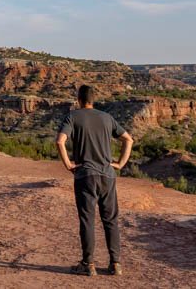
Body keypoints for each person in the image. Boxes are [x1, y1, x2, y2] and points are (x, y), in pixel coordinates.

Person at [56, 84, 133, 277]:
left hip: (85, 175)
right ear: (93, 100)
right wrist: (120, 164)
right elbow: (128, 139)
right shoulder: (107, 117)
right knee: (110, 220)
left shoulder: (73, 117)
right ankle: (115, 264)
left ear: (79, 100)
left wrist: (68, 165)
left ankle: (88, 264)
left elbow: (60, 141)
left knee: (87, 220)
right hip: (108, 175)